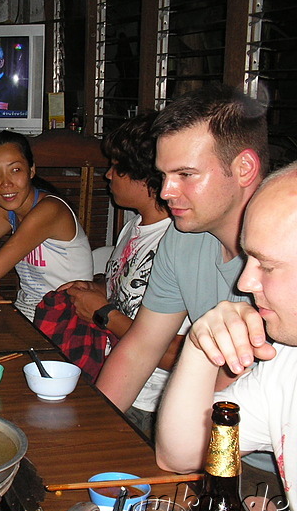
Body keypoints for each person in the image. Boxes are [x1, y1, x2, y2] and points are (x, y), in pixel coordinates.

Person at [95, 84, 269, 413]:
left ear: (244, 169)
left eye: (185, 174)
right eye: (163, 175)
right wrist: (90, 429)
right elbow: (141, 348)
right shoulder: (182, 236)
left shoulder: (286, 252)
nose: (166, 192)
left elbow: (228, 386)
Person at [33, 111, 188, 435]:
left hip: (148, 405)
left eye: (117, 167)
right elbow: (132, 294)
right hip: (104, 371)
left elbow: (179, 355)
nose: (108, 175)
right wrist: (99, 289)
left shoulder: (182, 243)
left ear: (147, 178)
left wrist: (103, 313)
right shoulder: (133, 227)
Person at [156, 163, 297, 511]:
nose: (244, 283)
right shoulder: (284, 361)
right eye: (248, 258)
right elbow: (181, 454)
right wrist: (201, 344)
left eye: (266, 266)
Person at [0, 130, 93, 321]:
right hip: (29, 312)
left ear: (32, 170)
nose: (6, 183)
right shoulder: (9, 211)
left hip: (66, 319)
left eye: (15, 170)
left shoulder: (49, 210)